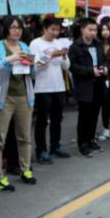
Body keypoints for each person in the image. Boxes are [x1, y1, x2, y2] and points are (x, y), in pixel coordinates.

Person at [0, 16, 37, 190]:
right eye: (13, 27)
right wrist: (10, 59)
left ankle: (26, 169)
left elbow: (32, 73)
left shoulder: (25, 46)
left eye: (19, 27)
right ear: (6, 29)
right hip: (3, 98)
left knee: (24, 136)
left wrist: (32, 64)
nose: (17, 30)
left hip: (24, 95)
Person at [30, 17, 71, 163]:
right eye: (52, 29)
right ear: (44, 29)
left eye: (57, 30)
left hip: (58, 86)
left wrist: (64, 55)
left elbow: (66, 66)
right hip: (42, 88)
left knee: (57, 119)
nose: (55, 33)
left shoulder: (59, 43)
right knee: (42, 121)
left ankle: (55, 146)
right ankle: (41, 150)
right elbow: (34, 66)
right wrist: (51, 55)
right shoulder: (35, 44)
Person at [68, 18, 108, 157]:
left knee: (94, 114)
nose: (93, 33)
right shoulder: (75, 47)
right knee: (84, 115)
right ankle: (82, 143)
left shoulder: (98, 44)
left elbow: (103, 60)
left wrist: (104, 69)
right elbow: (73, 67)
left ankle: (91, 139)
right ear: (82, 29)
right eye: (90, 30)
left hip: (98, 83)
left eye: (95, 30)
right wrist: (91, 71)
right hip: (84, 85)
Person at [97, 19, 110, 142]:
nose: (105, 32)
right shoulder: (96, 45)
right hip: (101, 78)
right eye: (102, 29)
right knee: (104, 104)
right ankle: (106, 129)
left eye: (107, 29)